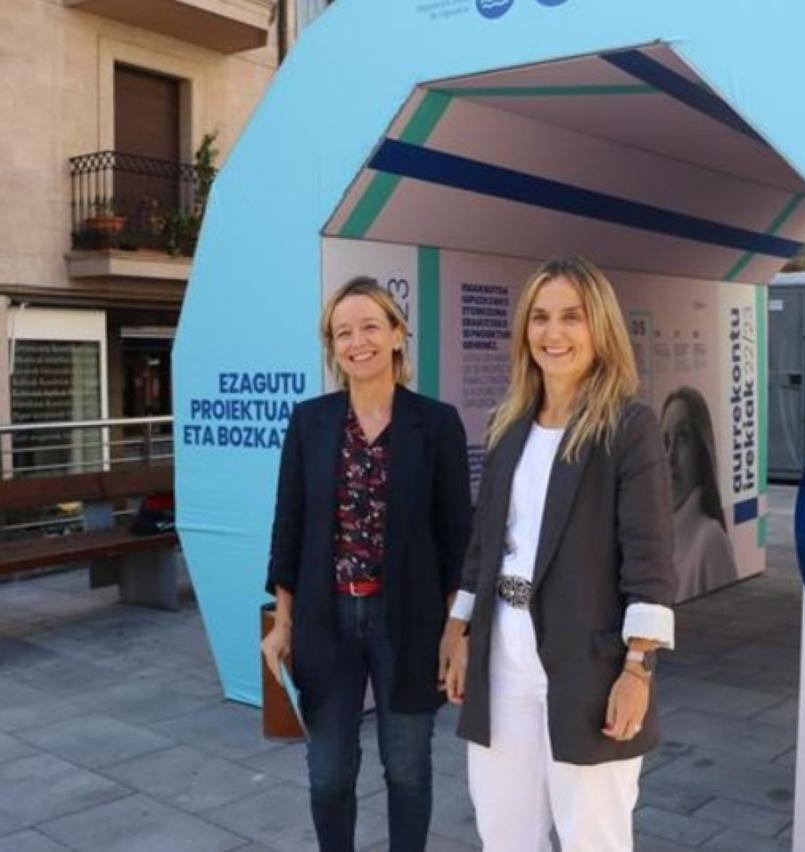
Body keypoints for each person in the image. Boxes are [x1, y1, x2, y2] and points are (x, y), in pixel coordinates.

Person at [439, 255, 676, 852]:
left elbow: (649, 560)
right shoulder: (507, 424)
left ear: (600, 327)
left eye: (572, 316)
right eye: (540, 317)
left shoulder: (629, 427)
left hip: (588, 666)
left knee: (592, 837)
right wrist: (459, 629)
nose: (554, 332)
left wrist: (638, 669)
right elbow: (483, 543)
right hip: (503, 660)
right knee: (504, 834)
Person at [262, 276, 472, 852]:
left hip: (409, 622)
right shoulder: (310, 422)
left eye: (371, 327)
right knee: (329, 773)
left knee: (407, 770)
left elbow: (457, 540)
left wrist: (455, 633)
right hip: (326, 619)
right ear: (332, 347)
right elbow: (288, 527)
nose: (358, 342)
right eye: (343, 333)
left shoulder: (436, 423)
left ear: (398, 335)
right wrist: (282, 622)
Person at [660, 386, 736, 601]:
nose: (670, 456)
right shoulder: (656, 536)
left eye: (683, 438)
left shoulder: (711, 542)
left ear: (701, 451)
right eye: (665, 441)